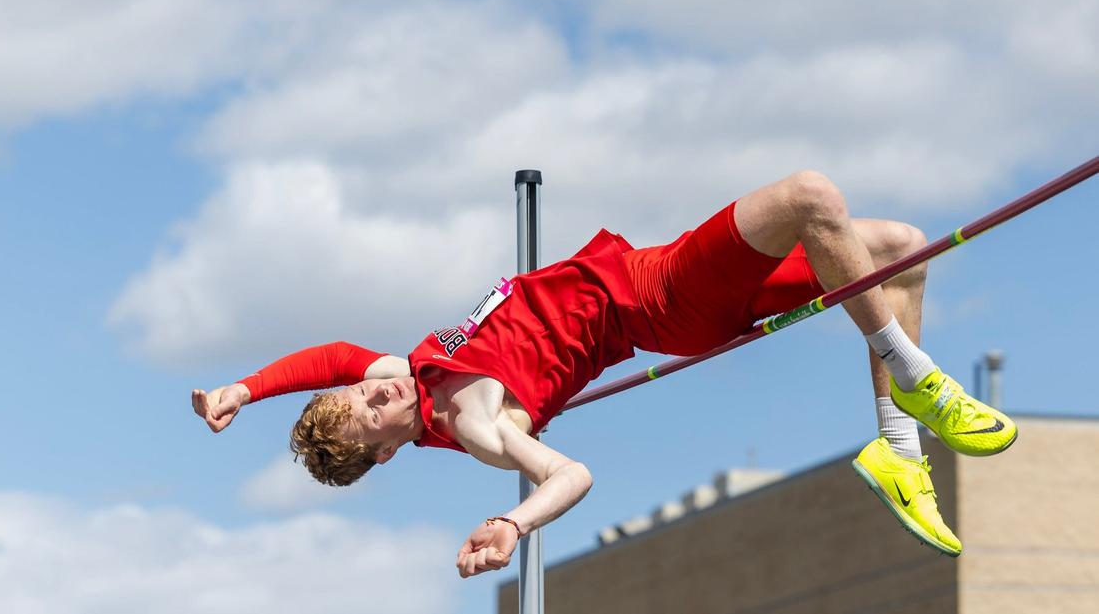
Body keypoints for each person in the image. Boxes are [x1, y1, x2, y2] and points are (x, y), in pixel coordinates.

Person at [192, 170, 1016, 577]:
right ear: (385, 451)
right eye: (370, 408)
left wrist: (243, 389)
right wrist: (514, 528)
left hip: (658, 275)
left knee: (901, 250)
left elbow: (331, 357)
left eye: (361, 390)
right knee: (808, 194)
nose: (375, 387)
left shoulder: (410, 372)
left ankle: (898, 450)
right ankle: (916, 375)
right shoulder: (477, 425)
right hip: (664, 298)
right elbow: (571, 471)